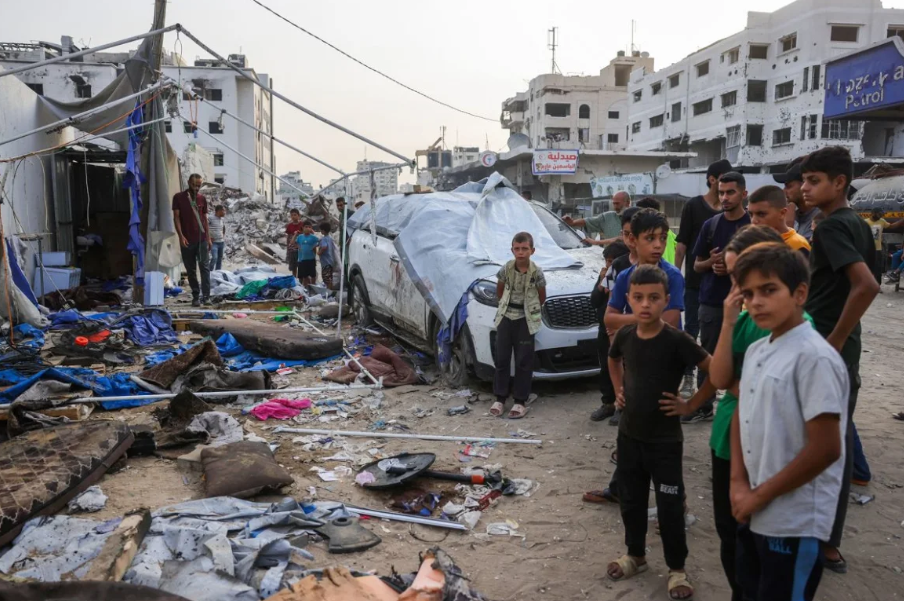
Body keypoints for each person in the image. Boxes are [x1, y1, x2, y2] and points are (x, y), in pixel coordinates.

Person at [662, 225, 806, 601]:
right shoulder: (742, 321)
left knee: (768, 548)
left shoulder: (798, 336)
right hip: (729, 442)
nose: (747, 294)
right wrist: (727, 321)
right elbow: (722, 375)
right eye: (739, 282)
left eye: (762, 285)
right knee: (733, 537)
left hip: (771, 451)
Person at [728, 242, 848, 601]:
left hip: (795, 520)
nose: (756, 302)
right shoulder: (756, 350)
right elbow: (740, 410)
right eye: (748, 293)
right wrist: (737, 482)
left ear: (799, 293)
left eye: (768, 290)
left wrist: (757, 496)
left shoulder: (814, 358)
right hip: (753, 505)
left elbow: (826, 448)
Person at [606, 265, 710, 601]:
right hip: (630, 437)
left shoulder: (678, 341)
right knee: (632, 501)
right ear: (628, 300)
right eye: (638, 298)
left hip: (664, 442)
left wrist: (691, 404)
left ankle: (677, 569)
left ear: (667, 300)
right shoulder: (625, 335)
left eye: (654, 298)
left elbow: (715, 371)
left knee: (668, 507)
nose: (646, 304)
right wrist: (618, 390)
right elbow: (614, 360)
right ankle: (635, 555)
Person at [801, 146, 880, 573]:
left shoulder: (833, 228)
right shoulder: (853, 224)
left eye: (815, 181)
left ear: (839, 183)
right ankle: (828, 539)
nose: (806, 188)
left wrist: (832, 341)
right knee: (837, 439)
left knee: (827, 445)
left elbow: (865, 286)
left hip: (830, 350)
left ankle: (825, 543)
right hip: (842, 351)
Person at [687, 171, 751, 423]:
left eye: (730, 192)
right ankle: (703, 406)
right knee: (708, 355)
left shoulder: (752, 226)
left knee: (746, 356)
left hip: (747, 305)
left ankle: (745, 405)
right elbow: (696, 265)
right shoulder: (710, 226)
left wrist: (734, 267)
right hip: (712, 302)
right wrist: (711, 263)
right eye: (721, 192)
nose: (724, 197)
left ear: (743, 194)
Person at [676, 158, 732, 397]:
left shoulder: (733, 213)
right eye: (723, 182)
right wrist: (675, 277)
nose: (727, 192)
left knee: (720, 334)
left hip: (723, 285)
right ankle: (688, 378)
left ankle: (714, 380)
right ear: (712, 180)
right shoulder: (693, 207)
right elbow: (682, 244)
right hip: (695, 283)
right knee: (690, 331)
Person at [491, 232, 546, 420]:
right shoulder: (506, 269)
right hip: (506, 316)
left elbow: (541, 296)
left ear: (532, 251)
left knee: (524, 360)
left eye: (525, 249)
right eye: (517, 249)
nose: (521, 253)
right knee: (502, 358)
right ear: (512, 249)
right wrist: (505, 307)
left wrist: (531, 312)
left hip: (526, 319)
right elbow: (500, 290)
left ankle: (520, 401)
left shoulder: (536, 272)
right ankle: (500, 398)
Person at [588, 240, 630, 424]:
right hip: (604, 329)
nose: (608, 265)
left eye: (612, 261)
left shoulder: (626, 276)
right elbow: (594, 301)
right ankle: (608, 403)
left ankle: (623, 406)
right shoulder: (605, 275)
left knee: (625, 368)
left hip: (623, 330)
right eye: (606, 261)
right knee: (605, 367)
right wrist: (600, 283)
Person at [172, 173, 211, 307]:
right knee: (191, 270)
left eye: (199, 186)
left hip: (202, 239)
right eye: (194, 185)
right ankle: (196, 296)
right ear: (188, 182)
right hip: (187, 241)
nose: (196, 188)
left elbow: (205, 219)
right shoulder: (178, 198)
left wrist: (209, 238)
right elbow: (176, 218)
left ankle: (206, 297)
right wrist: (180, 236)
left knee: (205, 268)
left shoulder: (202, 199)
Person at [746, 186, 810, 256]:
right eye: (751, 214)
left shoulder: (797, 246)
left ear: (782, 213)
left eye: (761, 214)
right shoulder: (752, 243)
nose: (754, 221)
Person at [775, 159, 820, 241]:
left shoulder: (819, 218)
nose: (784, 191)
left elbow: (799, 251)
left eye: (789, 186)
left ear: (803, 185)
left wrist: (788, 224)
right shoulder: (794, 214)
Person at [563, 191, 630, 246]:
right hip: (611, 258)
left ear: (627, 203)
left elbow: (621, 239)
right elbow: (588, 221)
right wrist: (573, 223)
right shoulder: (608, 217)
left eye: (617, 204)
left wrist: (595, 242)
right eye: (614, 204)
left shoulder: (636, 217)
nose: (615, 207)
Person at [864, 208, 904, 284]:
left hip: (877, 249)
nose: (881, 216)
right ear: (873, 213)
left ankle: (878, 285)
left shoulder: (882, 221)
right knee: (866, 267)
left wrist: (901, 221)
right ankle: (866, 284)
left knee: (878, 268)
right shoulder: (865, 222)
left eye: (882, 214)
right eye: (879, 214)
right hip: (867, 248)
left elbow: (891, 226)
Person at [636, 197, 678, 265]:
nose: (658, 245)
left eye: (663, 238)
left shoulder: (668, 233)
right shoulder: (670, 233)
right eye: (650, 238)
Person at [296, 221, 320, 287]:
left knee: (313, 275)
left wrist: (315, 246)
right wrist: (299, 247)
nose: (307, 228)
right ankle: (305, 288)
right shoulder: (300, 237)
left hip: (311, 259)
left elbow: (320, 241)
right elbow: (296, 242)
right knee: (305, 276)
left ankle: (313, 287)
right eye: (306, 227)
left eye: (309, 227)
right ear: (303, 228)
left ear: (311, 228)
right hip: (303, 259)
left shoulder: (313, 237)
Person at [317, 221, 339, 290]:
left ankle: (329, 291)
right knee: (330, 278)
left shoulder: (324, 239)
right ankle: (330, 290)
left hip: (325, 262)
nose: (320, 231)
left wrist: (319, 252)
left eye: (321, 230)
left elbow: (324, 247)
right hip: (330, 261)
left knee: (326, 278)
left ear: (323, 230)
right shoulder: (330, 238)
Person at [285, 209, 303, 279]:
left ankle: (301, 282)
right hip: (292, 249)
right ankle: (294, 280)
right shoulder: (289, 226)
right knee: (293, 266)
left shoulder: (302, 225)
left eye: (295, 215)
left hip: (300, 249)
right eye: (291, 215)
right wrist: (288, 248)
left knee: (301, 266)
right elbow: (288, 237)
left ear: (299, 216)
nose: (293, 217)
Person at [207, 205, 226, 271]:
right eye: (224, 210)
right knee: (214, 258)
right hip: (214, 243)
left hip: (221, 242)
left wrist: (223, 235)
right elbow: (205, 228)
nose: (225, 212)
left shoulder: (222, 219)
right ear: (219, 211)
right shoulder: (210, 218)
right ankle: (210, 272)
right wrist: (209, 238)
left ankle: (218, 273)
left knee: (219, 259)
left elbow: (223, 227)